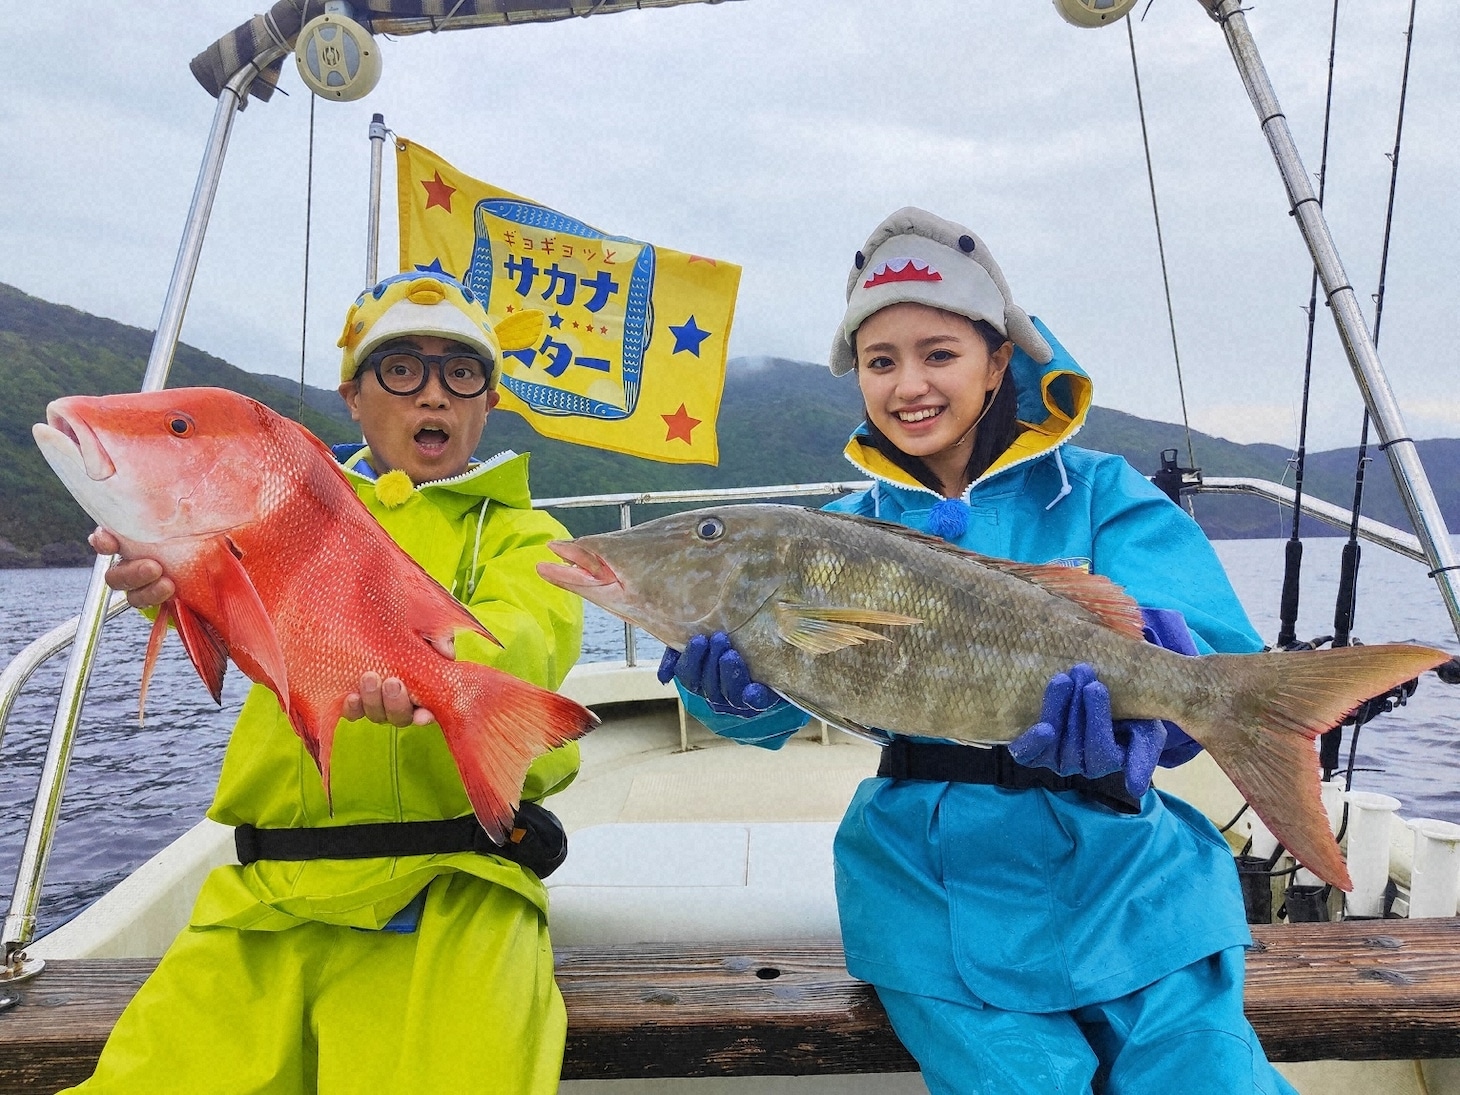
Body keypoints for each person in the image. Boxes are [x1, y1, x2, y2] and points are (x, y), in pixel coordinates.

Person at [661, 209, 1296, 1094]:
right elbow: (768, 715)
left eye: (939, 353)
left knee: (1208, 1074)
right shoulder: (835, 532)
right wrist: (730, 693)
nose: (909, 385)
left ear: (999, 362)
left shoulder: (1101, 492)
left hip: (1127, 879)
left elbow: (1213, 643)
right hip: (927, 889)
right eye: (881, 362)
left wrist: (1153, 696)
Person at [71, 271, 583, 1094]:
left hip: (457, 887)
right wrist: (172, 586)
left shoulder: (528, 534)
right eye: (401, 369)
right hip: (265, 895)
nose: (434, 395)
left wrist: (437, 671)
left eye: (461, 373)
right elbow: (244, 604)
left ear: (490, 401)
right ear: (352, 395)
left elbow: (528, 633)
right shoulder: (280, 501)